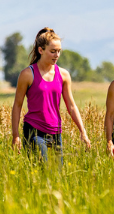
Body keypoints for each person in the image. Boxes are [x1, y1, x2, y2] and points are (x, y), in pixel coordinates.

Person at [11, 27, 92, 164]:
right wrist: (16, 136)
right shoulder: (27, 74)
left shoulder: (64, 75)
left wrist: (82, 131)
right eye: (53, 51)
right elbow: (17, 105)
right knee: (42, 170)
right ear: (41, 50)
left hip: (56, 131)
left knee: (57, 176)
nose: (57, 55)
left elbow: (71, 105)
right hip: (34, 130)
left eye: (59, 51)